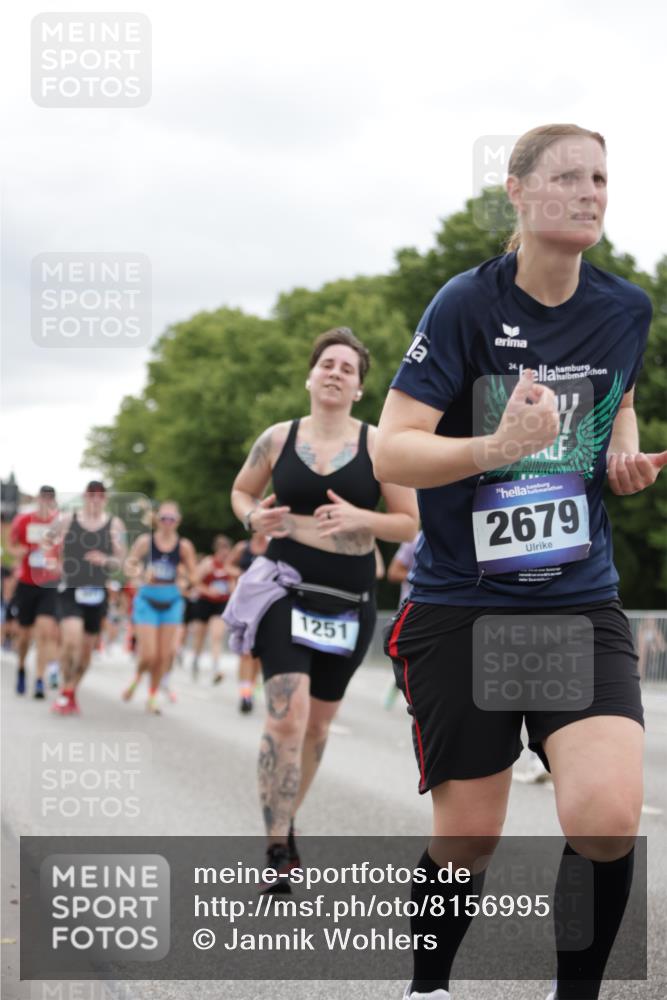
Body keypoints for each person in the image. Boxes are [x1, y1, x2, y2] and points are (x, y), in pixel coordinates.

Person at [374, 124, 665, 1000]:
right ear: (517, 190)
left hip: (574, 599)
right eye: (568, 177)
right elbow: (392, 452)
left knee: (607, 817)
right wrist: (495, 446)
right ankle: (427, 987)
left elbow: (615, 401)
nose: (589, 192)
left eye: (601, 179)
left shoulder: (625, 307)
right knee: (469, 835)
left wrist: (623, 451)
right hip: (465, 603)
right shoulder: (465, 304)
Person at [229, 326, 419, 885]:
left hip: (349, 602)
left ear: (359, 387)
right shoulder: (278, 438)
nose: (336, 373)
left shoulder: (380, 445)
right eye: (327, 364)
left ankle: (286, 823)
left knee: (316, 730)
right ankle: (276, 849)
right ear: (311, 375)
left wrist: (365, 519)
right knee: (288, 718)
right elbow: (242, 491)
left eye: (348, 369)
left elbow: (411, 521)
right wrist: (250, 517)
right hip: (285, 589)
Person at [48, 481, 127, 714]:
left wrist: (105, 560)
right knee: (71, 640)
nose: (95, 499)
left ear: (105, 499)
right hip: (71, 588)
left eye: (100, 495)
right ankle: (64, 688)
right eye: (91, 494)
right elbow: (45, 542)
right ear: (84, 496)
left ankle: (70, 692)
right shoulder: (67, 520)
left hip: (97, 591)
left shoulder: (115, 525)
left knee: (85, 652)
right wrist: (54, 563)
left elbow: (120, 559)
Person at [122, 500, 197, 713]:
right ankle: (137, 678)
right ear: (157, 520)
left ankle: (152, 696)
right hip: (147, 600)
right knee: (149, 655)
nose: (167, 523)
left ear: (178, 521)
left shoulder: (184, 546)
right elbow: (130, 564)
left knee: (164, 656)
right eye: (163, 518)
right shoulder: (146, 541)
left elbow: (194, 575)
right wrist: (139, 574)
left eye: (171, 519)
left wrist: (185, 581)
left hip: (172, 601)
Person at [7, 485, 61, 698]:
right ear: (38, 499)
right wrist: (18, 551)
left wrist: (58, 563)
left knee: (45, 631)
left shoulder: (59, 524)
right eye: (43, 497)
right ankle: (21, 667)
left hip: (48, 584)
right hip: (26, 583)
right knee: (24, 636)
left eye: (50, 498)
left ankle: (40, 679)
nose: (46, 501)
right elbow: (11, 546)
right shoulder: (23, 520)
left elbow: (67, 550)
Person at [227, 531, 269, 712]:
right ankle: (245, 694)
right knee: (246, 651)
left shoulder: (272, 546)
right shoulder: (243, 547)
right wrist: (244, 575)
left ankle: (252, 686)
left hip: (266, 603)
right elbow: (228, 565)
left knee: (258, 652)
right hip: (245, 604)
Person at [384, 532, 421, 708]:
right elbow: (393, 572)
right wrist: (425, 578)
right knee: (411, 660)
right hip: (411, 610)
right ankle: (398, 686)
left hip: (443, 611)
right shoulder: (416, 540)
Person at [191, 535, 234, 683]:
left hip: (220, 603)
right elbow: (195, 581)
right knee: (200, 636)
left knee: (217, 635)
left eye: (227, 552)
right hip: (205, 602)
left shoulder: (229, 567)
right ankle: (196, 660)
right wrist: (208, 591)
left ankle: (216, 667)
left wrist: (231, 589)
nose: (225, 555)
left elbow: (233, 586)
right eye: (222, 552)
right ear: (217, 550)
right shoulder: (208, 563)